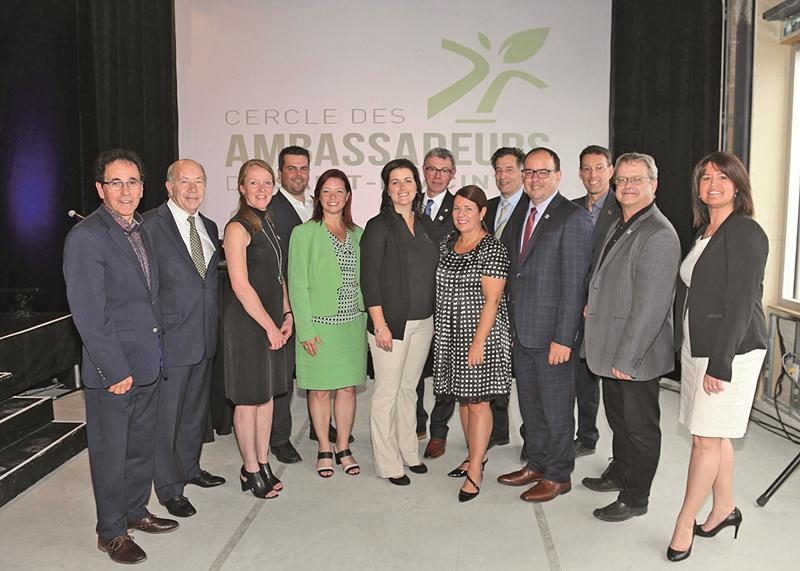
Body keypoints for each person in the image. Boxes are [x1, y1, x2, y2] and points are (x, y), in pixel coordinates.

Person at [64, 149, 178, 565]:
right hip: (114, 369)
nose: (126, 190)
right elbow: (89, 314)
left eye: (132, 182)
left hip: (147, 361)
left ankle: (135, 510)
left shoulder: (141, 229)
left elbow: (148, 298)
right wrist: (114, 368)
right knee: (110, 452)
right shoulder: (86, 237)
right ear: (101, 189)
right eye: (116, 182)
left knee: (140, 446)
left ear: (143, 188)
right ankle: (111, 532)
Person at [666, 152, 767, 562]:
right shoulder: (706, 231)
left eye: (723, 177)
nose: (713, 184)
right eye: (706, 177)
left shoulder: (745, 232)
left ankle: (684, 522)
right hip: (699, 349)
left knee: (705, 439)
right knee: (712, 433)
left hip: (731, 352)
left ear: (738, 185)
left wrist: (720, 364)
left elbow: (741, 304)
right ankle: (724, 508)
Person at [582, 152, 681, 522]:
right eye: (621, 179)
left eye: (636, 179)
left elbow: (651, 306)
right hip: (612, 346)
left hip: (635, 355)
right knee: (620, 421)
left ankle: (636, 496)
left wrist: (628, 358)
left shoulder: (658, 233)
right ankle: (620, 473)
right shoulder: (620, 223)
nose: (627, 186)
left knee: (640, 429)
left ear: (654, 185)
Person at [496, 147, 593, 503]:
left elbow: (575, 284)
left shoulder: (573, 217)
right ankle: (536, 464)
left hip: (553, 337)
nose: (535, 179)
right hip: (522, 333)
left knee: (556, 409)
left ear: (558, 176)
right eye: (529, 172)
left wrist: (564, 338)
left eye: (543, 172)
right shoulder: (521, 211)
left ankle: (558, 474)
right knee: (531, 406)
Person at [143, 159, 225, 520]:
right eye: (185, 181)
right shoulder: (149, 225)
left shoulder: (208, 225)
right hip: (171, 337)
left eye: (199, 181)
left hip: (204, 334)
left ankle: (190, 468)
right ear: (169, 186)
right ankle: (169, 488)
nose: (193, 189)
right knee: (167, 417)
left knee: (194, 411)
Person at [362, 158, 439, 486]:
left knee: (410, 389)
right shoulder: (378, 226)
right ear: (387, 189)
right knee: (387, 392)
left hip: (424, 322)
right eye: (395, 182)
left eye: (408, 180)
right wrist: (380, 325)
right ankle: (388, 461)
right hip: (391, 324)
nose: (402, 187)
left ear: (417, 186)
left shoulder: (426, 224)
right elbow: (369, 280)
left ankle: (409, 452)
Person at [433, 185, 512, 502]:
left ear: (482, 212)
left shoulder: (492, 249)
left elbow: (492, 301)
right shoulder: (447, 244)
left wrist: (478, 343)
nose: (461, 214)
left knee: (478, 403)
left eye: (468, 208)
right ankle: (473, 455)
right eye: (457, 208)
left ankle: (476, 469)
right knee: (464, 401)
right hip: (451, 334)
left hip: (481, 335)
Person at [288, 169, 367, 478]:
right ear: (318, 197)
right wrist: (305, 329)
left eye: (339, 191)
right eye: (326, 191)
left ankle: (343, 446)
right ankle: (324, 447)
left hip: (352, 326)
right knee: (320, 391)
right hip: (318, 327)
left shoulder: (359, 234)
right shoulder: (304, 233)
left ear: (347, 197)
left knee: (347, 389)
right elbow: (297, 284)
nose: (333, 197)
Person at [223, 159, 291, 499]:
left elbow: (279, 277)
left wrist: (287, 314)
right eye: (254, 182)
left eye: (267, 182)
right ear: (241, 187)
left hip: (272, 323)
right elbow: (240, 285)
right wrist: (269, 326)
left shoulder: (269, 222)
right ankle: (249, 469)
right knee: (248, 400)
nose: (262, 189)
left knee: (266, 398)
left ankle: (263, 461)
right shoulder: (237, 228)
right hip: (248, 325)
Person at [571, 145, 620, 458]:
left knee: (611, 385)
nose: (593, 175)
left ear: (611, 171)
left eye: (599, 168)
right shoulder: (570, 208)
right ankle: (582, 437)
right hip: (573, 306)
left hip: (607, 308)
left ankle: (603, 446)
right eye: (587, 169)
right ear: (579, 173)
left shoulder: (624, 208)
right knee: (579, 376)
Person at [267, 145, 312, 464]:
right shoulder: (270, 208)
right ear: (280, 172)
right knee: (284, 375)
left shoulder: (317, 205)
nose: (298, 174)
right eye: (291, 168)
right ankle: (280, 438)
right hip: (285, 305)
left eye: (303, 168)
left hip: (315, 304)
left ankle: (320, 426)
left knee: (316, 369)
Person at [484, 147, 528, 450]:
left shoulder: (532, 207)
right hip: (490, 302)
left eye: (509, 169)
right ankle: (497, 430)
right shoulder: (487, 208)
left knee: (524, 376)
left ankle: (531, 438)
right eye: (498, 170)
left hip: (521, 303)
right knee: (493, 367)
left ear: (522, 172)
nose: (503, 176)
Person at [415, 147, 457, 460]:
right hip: (413, 300)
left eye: (444, 170)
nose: (437, 175)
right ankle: (415, 422)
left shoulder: (460, 207)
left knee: (444, 369)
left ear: (452, 174)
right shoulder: (406, 200)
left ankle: (438, 432)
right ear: (424, 171)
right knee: (412, 368)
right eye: (432, 169)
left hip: (447, 301)